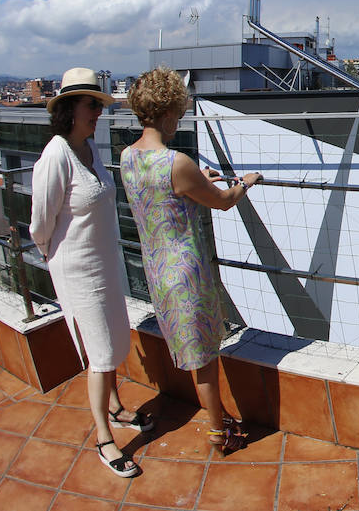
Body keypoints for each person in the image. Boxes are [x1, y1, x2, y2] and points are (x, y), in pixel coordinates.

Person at [120, 68, 262, 453]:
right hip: (187, 271)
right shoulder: (176, 162)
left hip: (157, 269)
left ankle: (218, 423)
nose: (180, 118)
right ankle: (219, 434)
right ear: (168, 112)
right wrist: (245, 183)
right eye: (179, 111)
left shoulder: (127, 158)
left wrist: (199, 178)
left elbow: (162, 194)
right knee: (205, 360)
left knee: (195, 352)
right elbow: (223, 203)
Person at [31, 67, 153, 478]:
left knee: (114, 339)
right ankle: (104, 438)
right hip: (77, 270)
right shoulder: (56, 155)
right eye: (91, 105)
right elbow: (40, 225)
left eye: (99, 105)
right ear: (69, 108)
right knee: (100, 355)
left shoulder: (89, 148)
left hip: (104, 264)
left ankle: (115, 408)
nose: (97, 113)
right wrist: (59, 260)